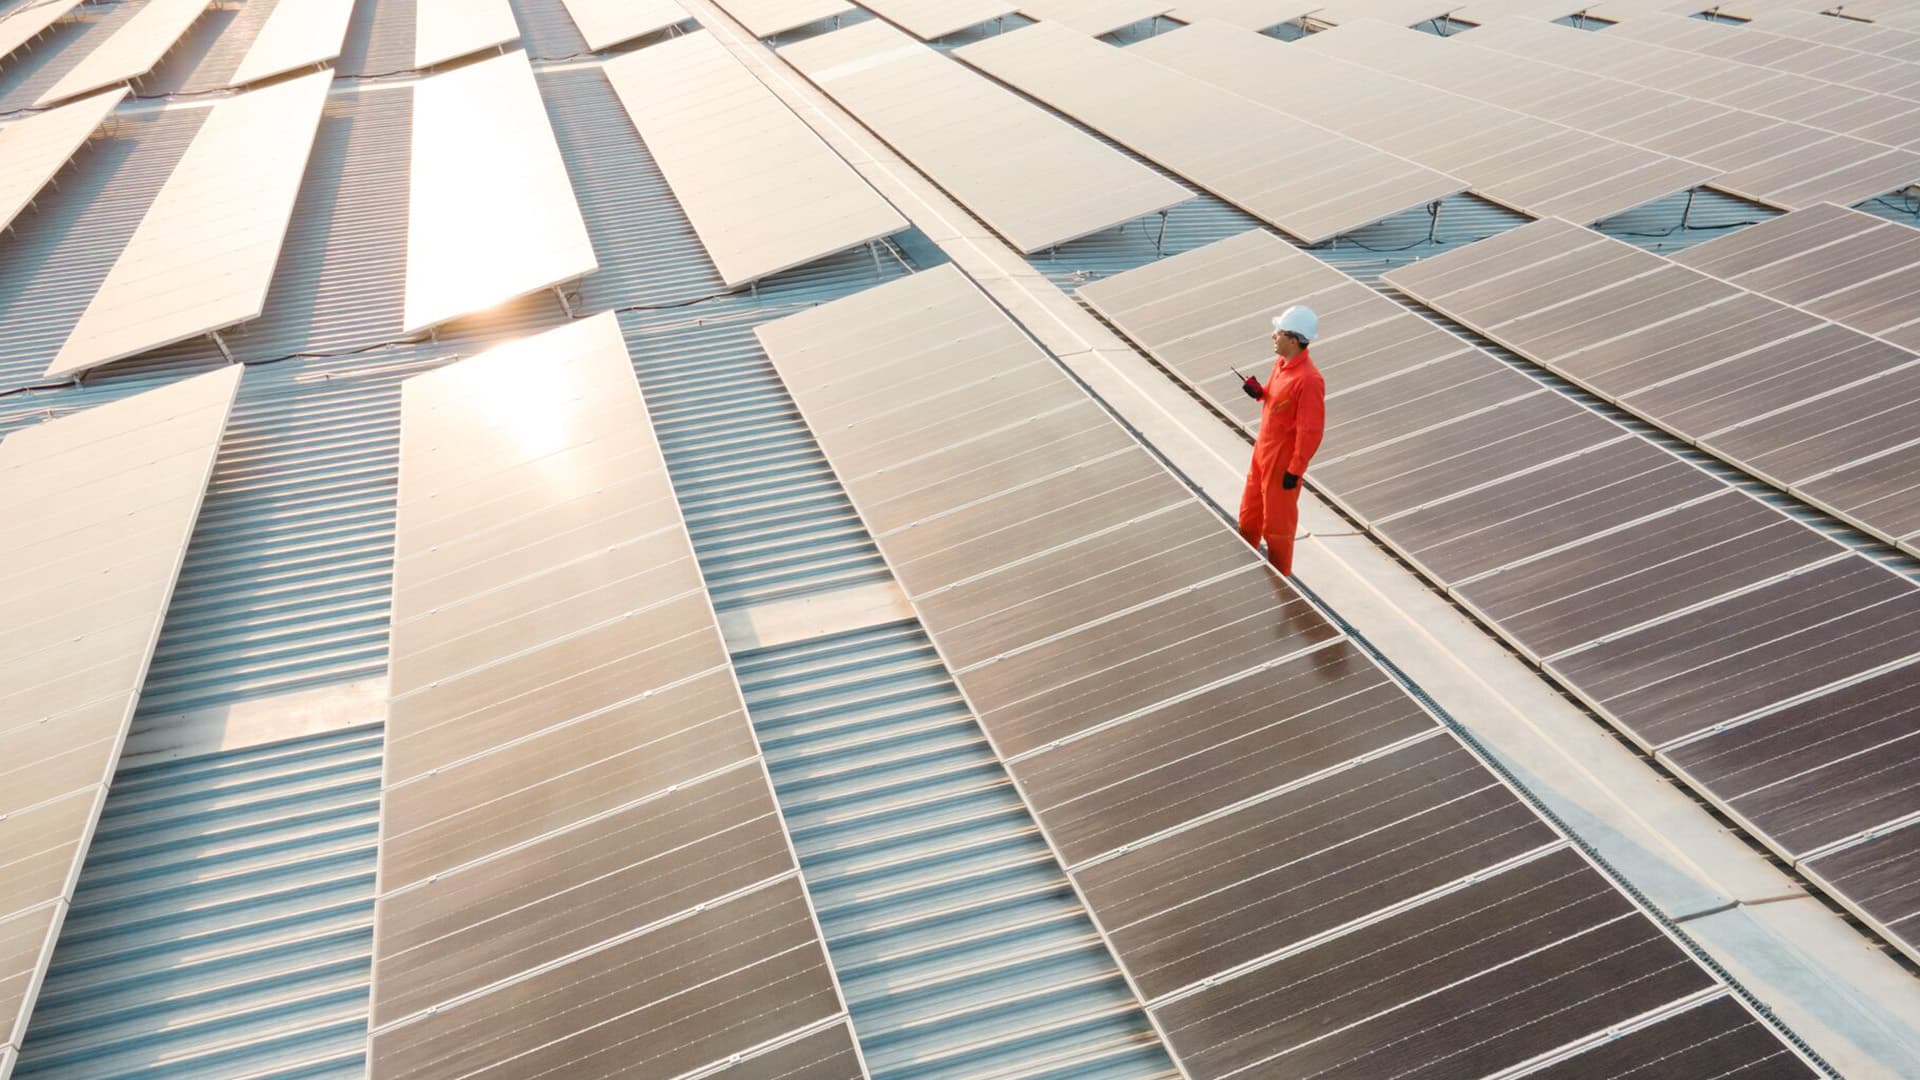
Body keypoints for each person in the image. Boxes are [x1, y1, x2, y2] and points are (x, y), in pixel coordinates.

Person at [1238, 306, 1325, 577]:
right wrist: (1259, 392)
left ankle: (1280, 583)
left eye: (1279, 332)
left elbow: (1310, 430)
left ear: (1294, 339)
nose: (1272, 336)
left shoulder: (1309, 380)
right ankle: (1244, 570)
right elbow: (1277, 401)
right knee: (1249, 515)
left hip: (1282, 461)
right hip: (1262, 451)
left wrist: (1295, 469)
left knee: (1277, 527)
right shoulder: (1281, 365)